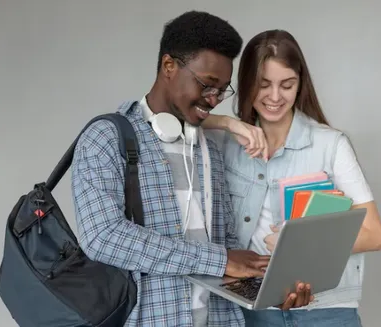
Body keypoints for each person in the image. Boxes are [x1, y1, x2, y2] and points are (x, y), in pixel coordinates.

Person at [70, 13, 310, 327]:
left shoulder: (208, 147)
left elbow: (228, 244)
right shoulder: (105, 138)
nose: (214, 99)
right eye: (207, 85)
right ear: (169, 66)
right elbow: (103, 237)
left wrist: (270, 286)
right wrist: (219, 260)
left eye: (223, 89)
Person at [202, 29, 381, 326]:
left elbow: (374, 235)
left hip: (326, 310)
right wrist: (226, 122)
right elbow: (168, 116)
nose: (275, 97)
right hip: (250, 311)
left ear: (300, 85)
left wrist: (298, 246)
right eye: (263, 85)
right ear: (246, 83)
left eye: (287, 85)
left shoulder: (331, 144)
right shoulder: (223, 141)